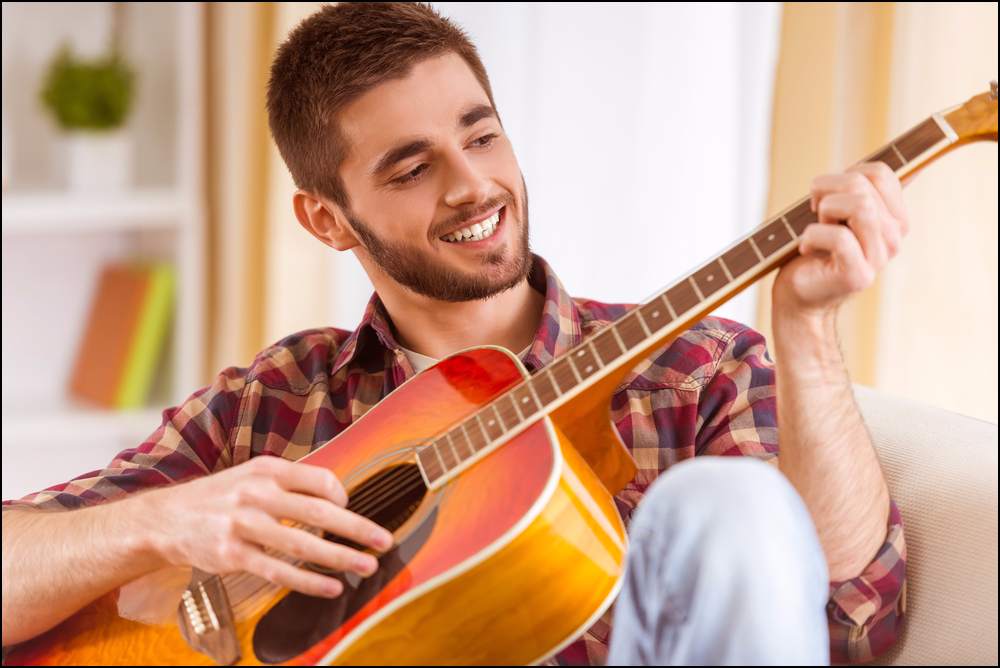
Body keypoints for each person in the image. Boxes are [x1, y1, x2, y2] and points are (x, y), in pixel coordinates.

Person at [2, 3, 906, 664]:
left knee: (730, 507)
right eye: (411, 168)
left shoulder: (697, 371)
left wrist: (808, 327)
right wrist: (161, 522)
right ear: (328, 222)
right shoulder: (271, 407)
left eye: (481, 138)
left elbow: (856, 619)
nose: (472, 185)